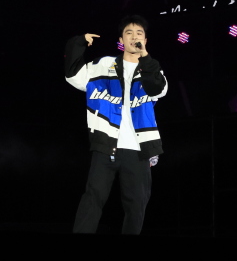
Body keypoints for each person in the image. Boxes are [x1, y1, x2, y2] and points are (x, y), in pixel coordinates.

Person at [64, 14, 168, 235]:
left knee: (137, 206)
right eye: (129, 33)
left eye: (139, 33)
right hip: (106, 145)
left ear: (145, 40)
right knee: (92, 199)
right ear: (121, 39)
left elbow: (157, 89)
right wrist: (79, 43)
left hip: (139, 149)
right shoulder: (102, 65)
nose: (134, 37)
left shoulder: (153, 70)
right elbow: (73, 76)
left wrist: (145, 58)